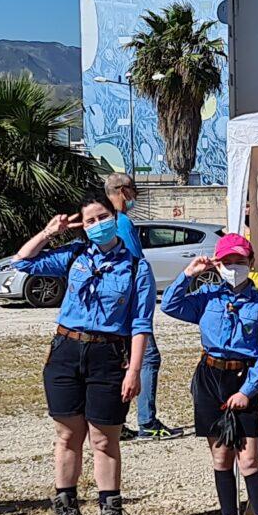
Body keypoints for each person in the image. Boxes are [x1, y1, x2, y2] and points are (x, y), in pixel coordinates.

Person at [4, 190, 155, 515]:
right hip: (67, 351)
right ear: (82, 227)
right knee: (68, 434)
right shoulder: (73, 256)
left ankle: (111, 510)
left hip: (108, 355)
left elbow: (141, 324)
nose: (98, 224)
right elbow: (22, 263)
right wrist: (48, 233)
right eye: (90, 221)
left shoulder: (136, 267)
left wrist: (134, 370)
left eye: (103, 217)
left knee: (105, 437)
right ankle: (67, 508)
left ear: (115, 219)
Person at [161, 234, 258, 515]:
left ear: (251, 263)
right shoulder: (207, 297)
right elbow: (170, 305)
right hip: (209, 377)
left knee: (249, 459)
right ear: (218, 263)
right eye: (227, 262)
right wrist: (189, 275)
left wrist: (247, 392)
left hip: (243, 379)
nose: (233, 267)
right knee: (221, 457)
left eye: (239, 261)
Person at [109, 173, 175, 440]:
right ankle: (147, 421)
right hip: (130, 305)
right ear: (124, 191)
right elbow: (136, 265)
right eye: (134, 190)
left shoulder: (106, 221)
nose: (135, 196)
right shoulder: (122, 222)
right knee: (148, 358)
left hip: (114, 305)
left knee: (119, 361)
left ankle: (114, 422)